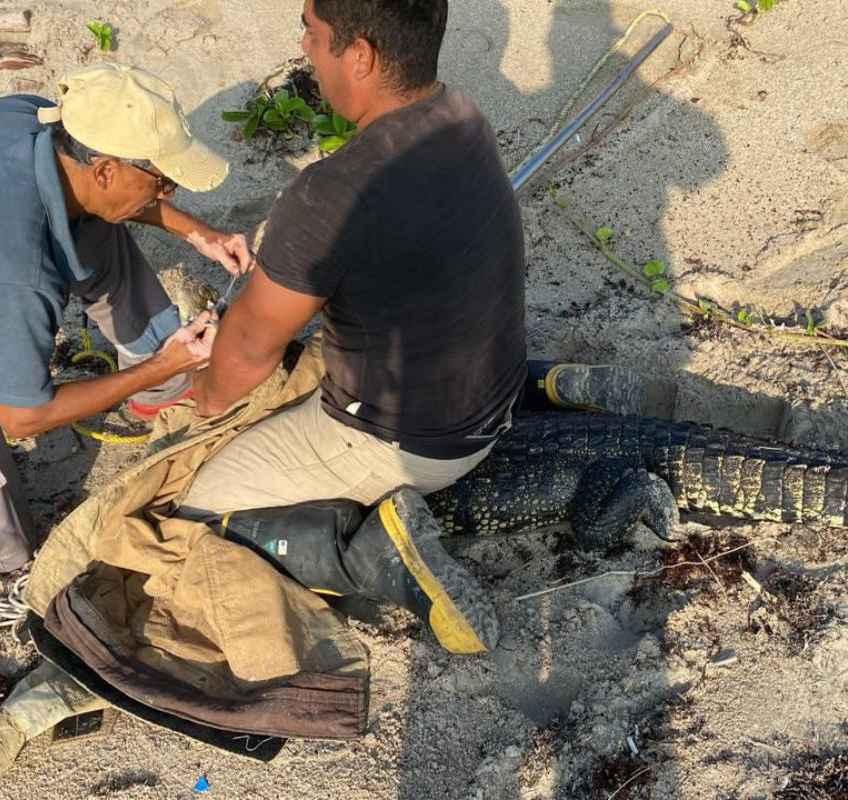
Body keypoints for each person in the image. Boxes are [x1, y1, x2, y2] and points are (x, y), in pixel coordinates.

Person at [181, 0, 644, 655]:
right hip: (493, 392)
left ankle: (374, 556)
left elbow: (245, 357)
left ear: (361, 56)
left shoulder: (328, 193)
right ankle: (549, 385)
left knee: (200, 517)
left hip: (410, 443)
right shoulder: (463, 115)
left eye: (312, 36)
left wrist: (201, 393)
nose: (304, 50)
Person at [0, 63, 251, 589]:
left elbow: (109, 200)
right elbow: (23, 418)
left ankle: (162, 388)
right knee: (1, 552)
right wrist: (159, 366)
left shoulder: (26, 119)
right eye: (162, 180)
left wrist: (199, 233)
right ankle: (163, 375)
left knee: (98, 227)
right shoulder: (19, 276)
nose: (168, 193)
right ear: (104, 169)